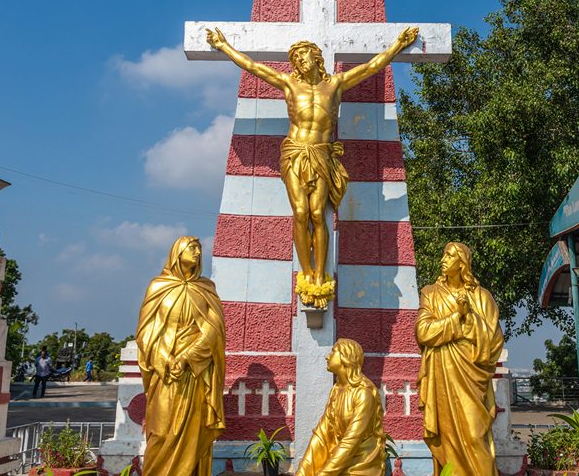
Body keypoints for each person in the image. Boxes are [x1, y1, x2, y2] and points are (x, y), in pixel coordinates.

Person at [206, 27, 419, 307]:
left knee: (318, 213)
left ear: (316, 58)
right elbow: (253, 66)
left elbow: (371, 66)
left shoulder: (336, 85)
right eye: (296, 61)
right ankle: (305, 273)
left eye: (303, 58)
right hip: (295, 152)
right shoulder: (289, 84)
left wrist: (397, 46)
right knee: (301, 212)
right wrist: (223, 46)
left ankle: (320, 274)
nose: (300, 64)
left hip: (321, 153)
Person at [136, 236, 226, 476]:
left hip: (194, 374)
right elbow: (145, 332)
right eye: (192, 248)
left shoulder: (206, 288)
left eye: (199, 248)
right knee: (161, 431)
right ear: (178, 253)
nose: (198, 252)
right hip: (165, 374)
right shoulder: (158, 287)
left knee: (194, 435)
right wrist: (165, 358)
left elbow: (214, 332)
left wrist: (187, 356)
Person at [415, 242, 505, 476]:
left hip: (472, 376)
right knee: (447, 438)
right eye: (443, 254)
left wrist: (471, 320)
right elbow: (423, 332)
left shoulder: (482, 297)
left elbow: (495, 340)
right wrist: (457, 319)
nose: (443, 259)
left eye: (450, 255)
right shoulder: (431, 294)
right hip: (442, 376)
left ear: (462, 263)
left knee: (475, 435)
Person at [294, 338, 386, 476]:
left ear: (346, 357)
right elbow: (322, 434)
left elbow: (352, 440)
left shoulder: (364, 393)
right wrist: (302, 472)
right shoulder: (336, 390)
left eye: (333, 351)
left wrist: (324, 474)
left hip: (361, 465)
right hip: (339, 461)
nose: (327, 356)